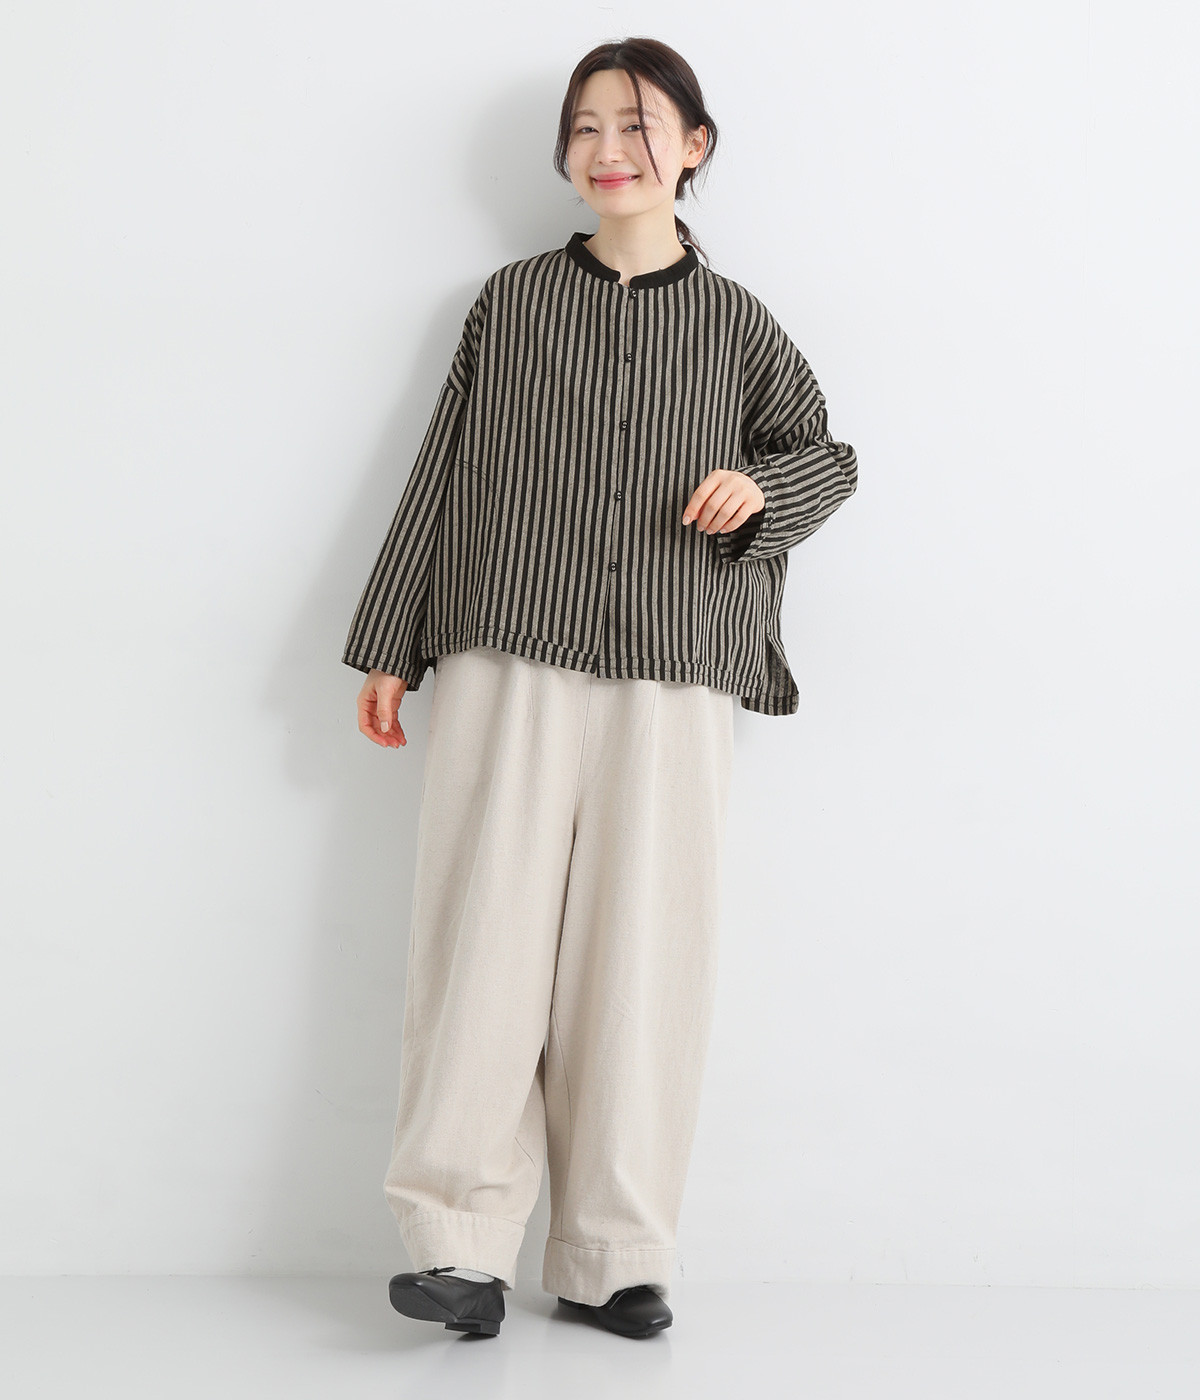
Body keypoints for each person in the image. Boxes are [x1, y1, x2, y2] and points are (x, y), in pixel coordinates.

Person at [342, 37, 858, 1341]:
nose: (608, 148)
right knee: (482, 940)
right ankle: (456, 1244)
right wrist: (393, 638)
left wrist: (761, 491)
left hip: (673, 667)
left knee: (643, 956)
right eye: (585, 127)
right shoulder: (511, 303)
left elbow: (827, 457)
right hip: (508, 646)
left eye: (637, 124)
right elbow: (444, 467)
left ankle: (613, 1253)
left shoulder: (739, 324)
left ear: (695, 146)